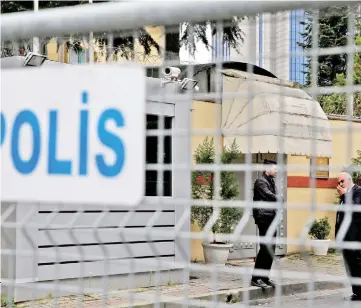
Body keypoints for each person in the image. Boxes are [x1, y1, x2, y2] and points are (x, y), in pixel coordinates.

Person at [251, 159, 282, 288]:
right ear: (267, 169)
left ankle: (264, 277)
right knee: (265, 247)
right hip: (263, 218)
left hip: (272, 217)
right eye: (275, 168)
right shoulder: (260, 181)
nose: (277, 170)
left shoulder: (271, 181)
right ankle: (255, 277)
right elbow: (268, 195)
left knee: (271, 248)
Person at [335, 172, 361, 301]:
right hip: (345, 237)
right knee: (350, 266)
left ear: (349, 180)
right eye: (338, 182)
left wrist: (345, 195)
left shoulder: (358, 191)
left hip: (355, 237)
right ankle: (356, 292)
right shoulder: (344, 194)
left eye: (342, 181)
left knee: (356, 264)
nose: (339, 185)